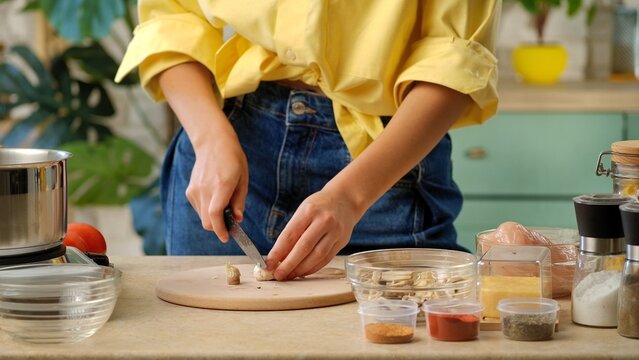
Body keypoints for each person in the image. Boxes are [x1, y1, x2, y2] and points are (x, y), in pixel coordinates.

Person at [116, 0, 501, 281]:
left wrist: (351, 197)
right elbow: (170, 18)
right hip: (229, 151)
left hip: (385, 165)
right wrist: (210, 138)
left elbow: (456, 60)